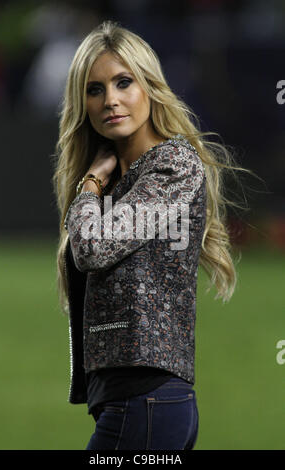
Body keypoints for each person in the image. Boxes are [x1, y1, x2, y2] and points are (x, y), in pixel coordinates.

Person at [52, 20, 253, 450]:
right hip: (130, 404)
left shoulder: (172, 164)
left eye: (124, 82)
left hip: (146, 403)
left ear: (150, 87)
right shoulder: (124, 182)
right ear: (82, 103)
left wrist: (89, 182)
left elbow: (92, 247)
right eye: (95, 89)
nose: (111, 100)